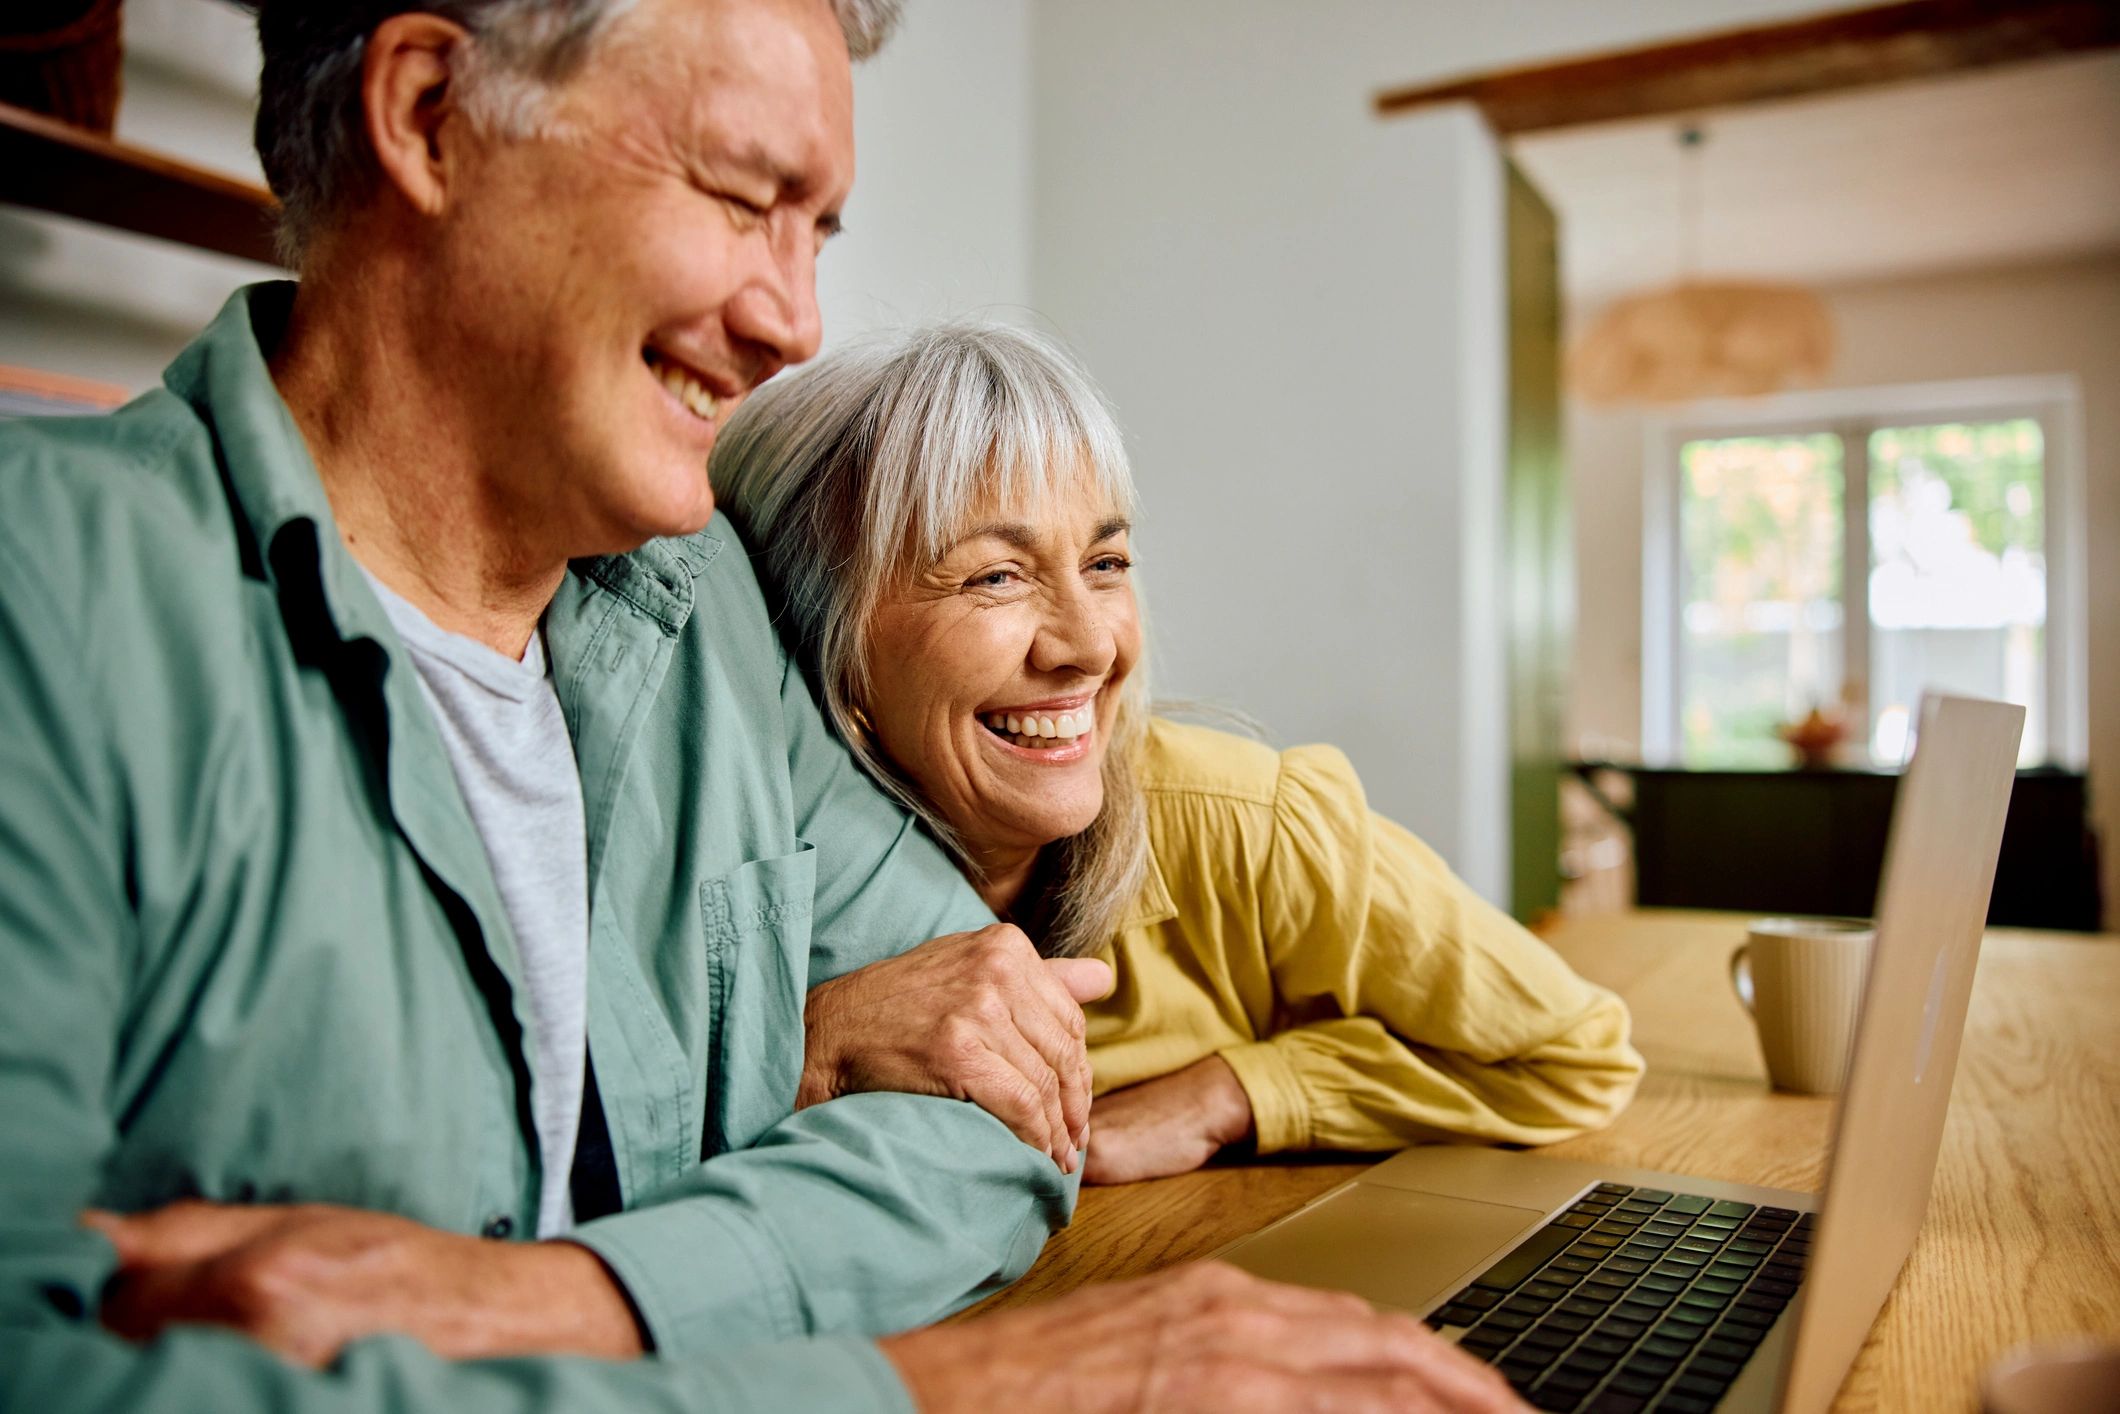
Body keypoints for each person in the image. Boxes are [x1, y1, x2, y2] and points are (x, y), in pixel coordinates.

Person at [0, 1, 1521, 1411]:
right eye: (741, 199)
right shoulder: (46, 591)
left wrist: (566, 1296)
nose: (796, 319)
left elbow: (999, 1111)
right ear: (431, 116)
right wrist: (962, 1388)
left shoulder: (702, 604)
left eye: (820, 229)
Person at [711, 321, 1646, 1186]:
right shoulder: (707, 873)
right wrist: (815, 1043)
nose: (1089, 644)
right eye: (996, 576)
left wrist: (1238, 1094)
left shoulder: (1247, 827)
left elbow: (1573, 1055)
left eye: (1106, 564)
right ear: (805, 625)